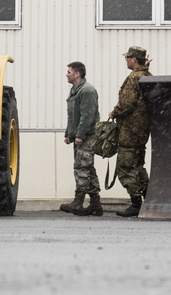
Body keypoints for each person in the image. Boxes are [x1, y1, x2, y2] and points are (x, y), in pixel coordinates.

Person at [109, 46, 151, 217]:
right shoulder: (148, 76)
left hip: (130, 130)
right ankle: (149, 199)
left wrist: (114, 112)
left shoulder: (134, 78)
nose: (126, 60)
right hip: (142, 131)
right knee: (138, 166)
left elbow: (127, 104)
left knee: (126, 167)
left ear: (134, 59)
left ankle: (136, 204)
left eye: (127, 57)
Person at [60, 61, 102, 216]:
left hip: (87, 136)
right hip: (80, 136)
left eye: (69, 72)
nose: (67, 74)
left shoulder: (87, 90)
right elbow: (72, 115)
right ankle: (95, 205)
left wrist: (80, 135)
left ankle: (78, 201)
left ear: (77, 74)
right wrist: (68, 133)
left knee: (81, 168)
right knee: (88, 168)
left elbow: (87, 115)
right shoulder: (75, 90)